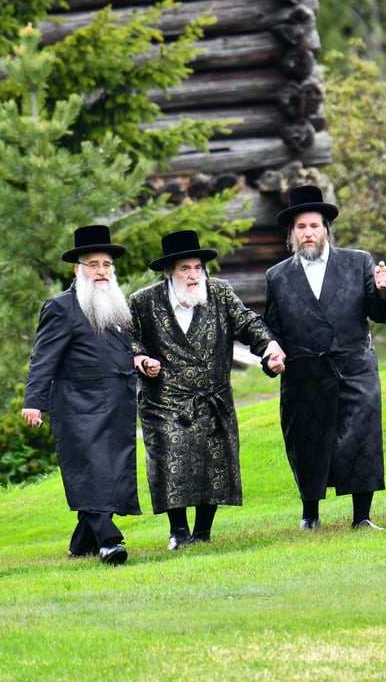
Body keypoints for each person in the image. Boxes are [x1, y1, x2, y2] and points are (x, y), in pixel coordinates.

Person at [129, 230, 286, 550]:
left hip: (212, 396)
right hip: (165, 401)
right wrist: (141, 358)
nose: (192, 275)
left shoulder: (221, 293)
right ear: (169, 273)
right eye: (185, 269)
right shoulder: (144, 301)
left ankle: (202, 532)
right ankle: (178, 532)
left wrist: (270, 348)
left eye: (197, 267)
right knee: (169, 462)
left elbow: (248, 324)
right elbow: (127, 339)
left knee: (212, 463)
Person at [263, 185, 386, 531]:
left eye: (314, 226)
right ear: (292, 234)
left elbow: (380, 315)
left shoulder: (358, 262)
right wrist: (270, 356)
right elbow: (271, 329)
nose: (308, 234)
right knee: (306, 442)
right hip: (304, 373)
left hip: (354, 367)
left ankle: (362, 517)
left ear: (327, 230)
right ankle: (310, 514)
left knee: (361, 438)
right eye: (301, 228)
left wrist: (383, 291)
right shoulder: (277, 276)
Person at [21, 224, 149, 566]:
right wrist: (34, 401)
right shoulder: (61, 307)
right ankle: (109, 541)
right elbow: (43, 358)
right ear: (79, 269)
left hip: (118, 404)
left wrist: (139, 358)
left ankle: (82, 543)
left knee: (111, 471)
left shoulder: (117, 307)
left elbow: (123, 348)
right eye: (93, 264)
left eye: (106, 265)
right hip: (78, 405)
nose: (102, 271)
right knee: (91, 471)